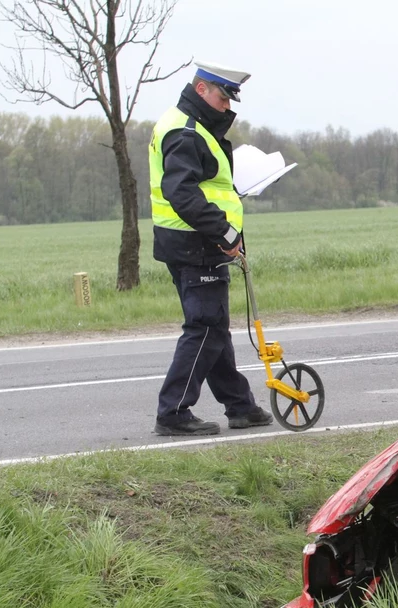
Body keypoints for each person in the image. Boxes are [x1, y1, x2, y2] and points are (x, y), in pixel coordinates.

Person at [149, 61, 273, 436]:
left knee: (213, 326)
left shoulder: (192, 125)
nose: (228, 106)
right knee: (204, 327)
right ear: (201, 89)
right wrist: (223, 232)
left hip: (191, 241)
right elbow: (181, 191)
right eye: (223, 96)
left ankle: (240, 405)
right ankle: (172, 412)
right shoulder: (186, 133)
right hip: (196, 243)